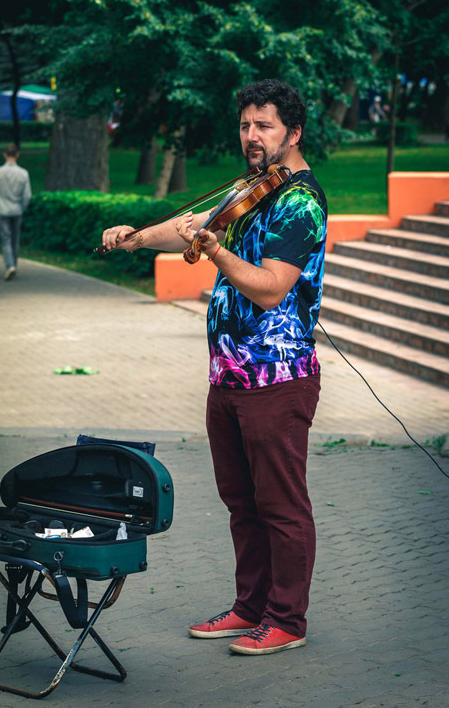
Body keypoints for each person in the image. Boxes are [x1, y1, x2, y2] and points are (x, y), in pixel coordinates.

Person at [102, 79, 327, 656]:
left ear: (293, 133)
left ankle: (286, 621)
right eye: (247, 124)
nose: (252, 136)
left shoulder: (300, 201)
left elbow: (273, 289)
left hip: (276, 381)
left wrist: (215, 249)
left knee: (281, 505)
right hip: (228, 379)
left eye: (265, 126)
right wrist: (132, 239)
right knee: (241, 503)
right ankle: (249, 608)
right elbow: (193, 222)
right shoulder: (254, 187)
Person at [0, 143, 32, 281]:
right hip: (17, 209)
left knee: (6, 239)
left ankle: (9, 265)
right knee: (15, 239)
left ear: (5, 155)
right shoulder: (23, 173)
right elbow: (27, 195)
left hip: (2, 209)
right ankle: (14, 266)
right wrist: (23, 207)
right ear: (17, 155)